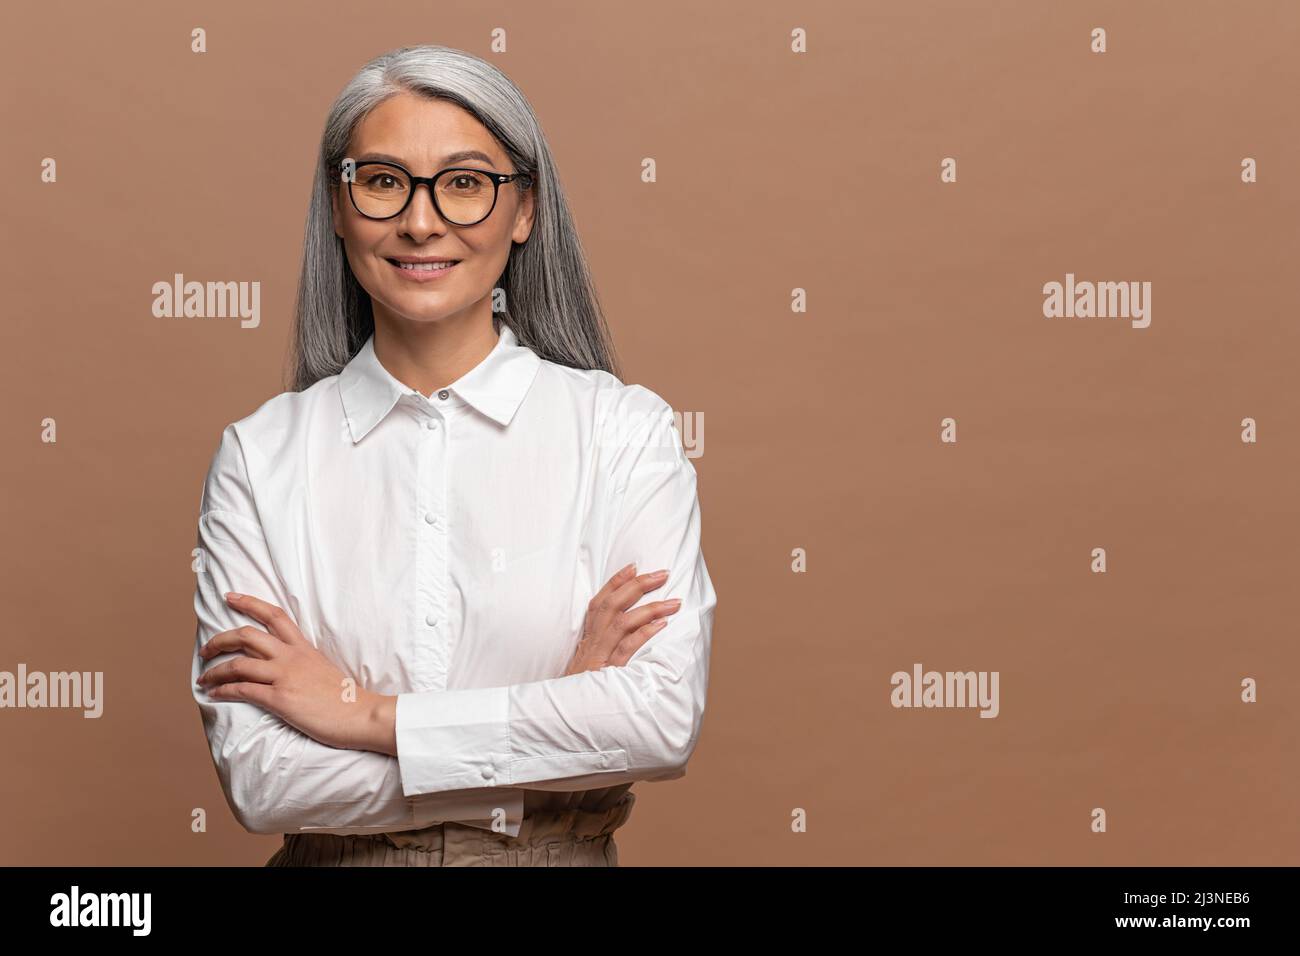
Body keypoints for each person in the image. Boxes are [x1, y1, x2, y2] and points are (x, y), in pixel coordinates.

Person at [189, 44, 718, 867]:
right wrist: (554, 726)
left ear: (525, 210)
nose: (422, 221)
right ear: (338, 205)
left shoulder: (625, 433)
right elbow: (264, 781)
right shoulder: (260, 457)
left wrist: (363, 714)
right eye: (383, 180)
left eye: (466, 183)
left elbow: (657, 721)